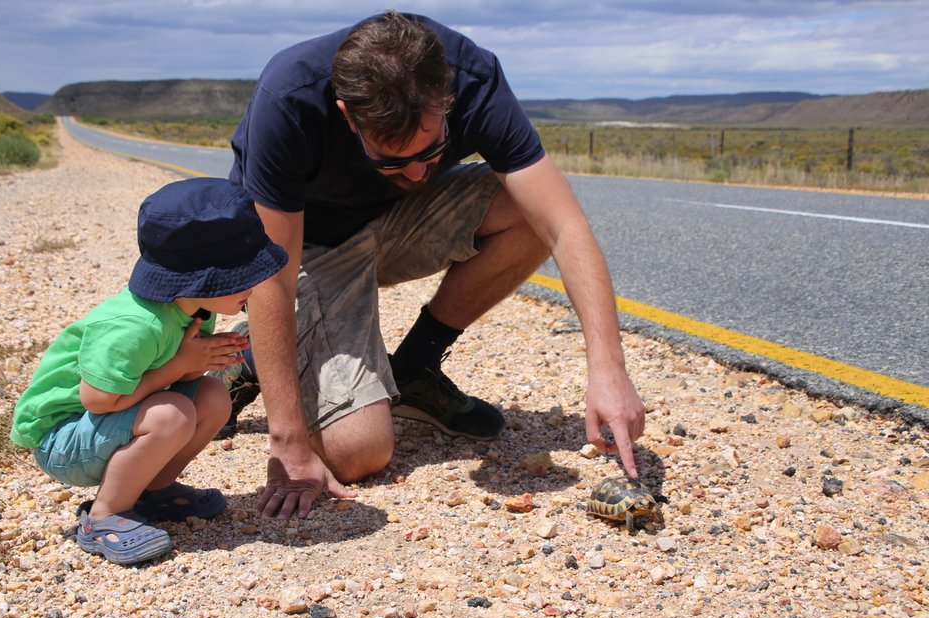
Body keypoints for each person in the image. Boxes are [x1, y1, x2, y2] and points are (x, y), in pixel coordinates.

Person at [227, 10, 645, 520]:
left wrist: (609, 369)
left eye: (431, 151)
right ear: (348, 115)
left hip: (396, 221)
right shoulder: (289, 98)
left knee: (530, 209)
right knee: (357, 451)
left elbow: (563, 225)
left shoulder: (472, 77)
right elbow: (272, 275)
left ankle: (415, 368)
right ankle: (253, 355)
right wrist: (288, 441)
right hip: (306, 246)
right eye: (391, 160)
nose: (416, 173)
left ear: (445, 98)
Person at [10, 177, 289, 564]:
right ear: (200, 279)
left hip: (105, 423)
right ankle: (103, 515)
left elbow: (178, 381)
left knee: (212, 396)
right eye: (243, 275)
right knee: (171, 415)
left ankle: (151, 492)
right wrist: (182, 363)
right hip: (62, 438)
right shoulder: (135, 325)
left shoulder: (193, 307)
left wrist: (200, 363)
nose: (256, 283)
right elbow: (98, 399)